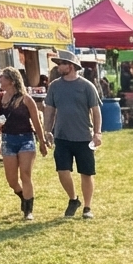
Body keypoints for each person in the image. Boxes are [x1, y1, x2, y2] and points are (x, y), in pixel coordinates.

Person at [42, 52, 101, 219]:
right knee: (62, 171)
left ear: (71, 65)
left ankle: (87, 207)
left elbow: (96, 112)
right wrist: (47, 131)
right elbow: (50, 111)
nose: (58, 66)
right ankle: (73, 199)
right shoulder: (54, 86)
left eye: (61, 63)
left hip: (84, 137)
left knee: (86, 173)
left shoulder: (87, 86)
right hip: (62, 137)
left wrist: (97, 133)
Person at [0, 67, 49, 219]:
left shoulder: (26, 99)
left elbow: (37, 122)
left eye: (2, 77)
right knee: (11, 180)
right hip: (8, 139)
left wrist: (42, 142)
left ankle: (28, 210)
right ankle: (23, 196)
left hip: (26, 139)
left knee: (25, 174)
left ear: (11, 80)